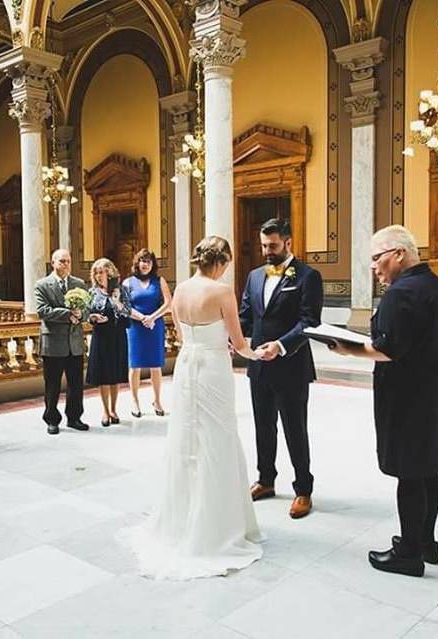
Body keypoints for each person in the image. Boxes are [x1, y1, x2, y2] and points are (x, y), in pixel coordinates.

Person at [121, 236, 264, 579]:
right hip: (213, 368)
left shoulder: (181, 289)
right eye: (226, 264)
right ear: (220, 262)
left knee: (186, 439)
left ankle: (181, 521)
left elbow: (185, 337)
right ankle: (216, 527)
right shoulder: (222, 291)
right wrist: (259, 353)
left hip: (187, 365)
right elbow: (240, 344)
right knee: (218, 438)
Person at [330, 225, 438, 578]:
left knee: (409, 471)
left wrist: (346, 348)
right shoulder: (436, 286)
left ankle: (408, 552)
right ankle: (426, 542)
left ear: (399, 254)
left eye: (377, 258)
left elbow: (388, 349)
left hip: (410, 390)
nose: (374, 267)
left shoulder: (400, 293)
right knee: (430, 466)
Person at [238, 218, 323, 519]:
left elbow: (309, 322)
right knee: (263, 426)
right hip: (259, 366)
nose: (266, 251)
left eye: (272, 245)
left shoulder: (308, 276)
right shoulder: (254, 276)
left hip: (291, 365)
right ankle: (266, 480)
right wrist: (230, 336)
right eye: (263, 245)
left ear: (288, 242)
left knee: (294, 429)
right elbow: (246, 316)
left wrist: (281, 345)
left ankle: (303, 489)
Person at [34, 249, 90, 435]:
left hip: (74, 343)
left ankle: (74, 418)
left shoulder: (79, 284)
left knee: (76, 384)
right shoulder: (42, 285)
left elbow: (88, 310)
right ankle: (52, 419)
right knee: (52, 385)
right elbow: (43, 311)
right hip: (53, 343)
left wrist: (82, 314)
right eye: (62, 261)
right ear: (53, 263)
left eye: (68, 261)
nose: (66, 264)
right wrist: (68, 315)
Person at [123, 248, 172, 418]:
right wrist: (142, 317)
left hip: (155, 326)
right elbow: (124, 307)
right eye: (143, 261)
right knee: (134, 365)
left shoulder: (159, 281)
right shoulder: (127, 283)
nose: (145, 265)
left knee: (155, 365)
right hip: (135, 327)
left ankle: (157, 400)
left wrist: (152, 317)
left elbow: (168, 303)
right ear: (137, 263)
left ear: (153, 265)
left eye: (149, 262)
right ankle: (135, 400)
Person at [85, 258, 132, 427]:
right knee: (103, 375)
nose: (98, 276)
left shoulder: (123, 290)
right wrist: (93, 317)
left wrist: (116, 301)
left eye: (101, 272)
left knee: (115, 375)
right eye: (96, 273)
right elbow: (87, 314)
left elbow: (127, 311)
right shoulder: (92, 292)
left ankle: (113, 409)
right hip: (101, 337)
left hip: (118, 336)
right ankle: (105, 410)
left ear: (110, 272)